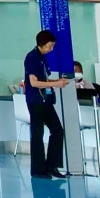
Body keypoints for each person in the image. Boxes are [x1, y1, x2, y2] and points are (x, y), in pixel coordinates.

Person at [24, 29, 69, 179]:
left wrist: (57, 82)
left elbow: (43, 79)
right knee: (38, 134)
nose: (51, 49)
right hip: (35, 101)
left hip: (46, 100)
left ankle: (52, 166)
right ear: (41, 44)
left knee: (57, 130)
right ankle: (38, 170)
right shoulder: (32, 58)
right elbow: (34, 82)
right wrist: (56, 83)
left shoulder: (43, 58)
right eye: (50, 46)